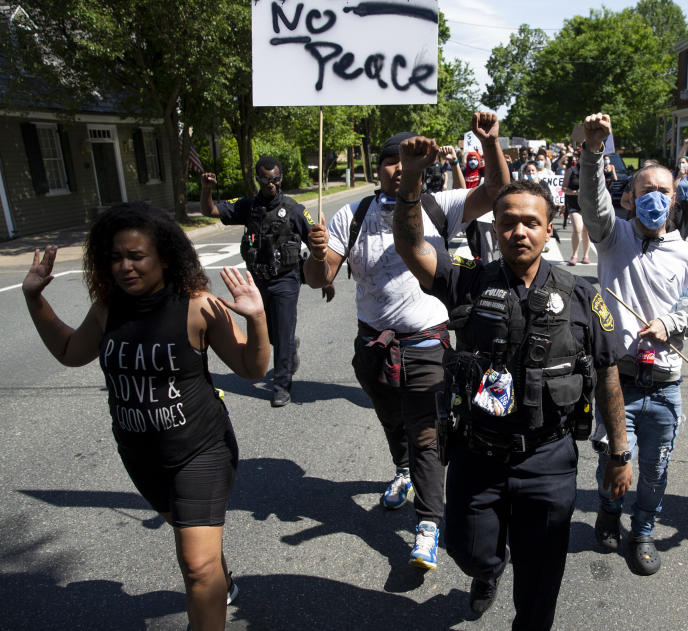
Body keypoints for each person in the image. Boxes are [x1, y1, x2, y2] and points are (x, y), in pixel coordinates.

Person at [391, 161, 632, 630]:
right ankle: (487, 571)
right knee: (467, 548)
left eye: (531, 222)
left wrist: (620, 451)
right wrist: (410, 185)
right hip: (477, 455)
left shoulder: (581, 295)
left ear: (548, 228)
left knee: (541, 584)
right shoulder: (470, 280)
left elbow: (607, 376)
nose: (519, 231)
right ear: (495, 229)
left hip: (548, 458)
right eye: (508, 222)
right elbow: (410, 246)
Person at [22, 202, 270, 631]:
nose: (125, 267)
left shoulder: (198, 306)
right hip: (140, 453)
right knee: (199, 552)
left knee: (193, 566)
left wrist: (258, 319)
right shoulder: (108, 308)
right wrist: (33, 297)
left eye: (136, 256)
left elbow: (254, 369)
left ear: (165, 257)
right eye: (116, 257)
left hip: (201, 450)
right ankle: (218, 573)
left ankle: (209, 577)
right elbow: (68, 352)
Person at [302, 113, 510, 571]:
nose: (398, 168)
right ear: (378, 169)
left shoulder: (442, 205)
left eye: (406, 160)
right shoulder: (351, 215)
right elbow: (321, 277)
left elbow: (496, 190)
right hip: (372, 346)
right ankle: (402, 470)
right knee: (391, 419)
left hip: (427, 343)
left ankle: (428, 524)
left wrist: (490, 143)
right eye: (390, 161)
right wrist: (317, 255)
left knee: (426, 433)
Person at [579, 112, 688, 577]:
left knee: (655, 471)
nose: (654, 198)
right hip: (617, 379)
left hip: (665, 384)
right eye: (645, 190)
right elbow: (592, 204)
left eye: (663, 191)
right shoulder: (613, 236)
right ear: (630, 197)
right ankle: (608, 512)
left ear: (676, 199)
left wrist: (672, 323)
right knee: (615, 462)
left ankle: (643, 532)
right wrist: (594, 152)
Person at [200, 156, 329, 408]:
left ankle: (282, 385)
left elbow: (316, 245)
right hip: (257, 279)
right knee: (269, 333)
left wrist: (325, 277)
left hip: (286, 279)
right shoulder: (248, 206)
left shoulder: (294, 209)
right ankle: (289, 346)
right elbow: (211, 210)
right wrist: (206, 190)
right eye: (266, 179)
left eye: (276, 178)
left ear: (281, 178)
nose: (271, 183)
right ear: (258, 178)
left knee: (281, 331)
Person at [563, 152, 591, 265]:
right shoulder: (571, 171)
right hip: (574, 204)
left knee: (586, 231)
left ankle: (586, 255)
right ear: (578, 159)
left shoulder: (591, 171)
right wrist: (575, 192)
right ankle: (574, 255)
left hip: (587, 205)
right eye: (582, 158)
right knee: (578, 228)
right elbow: (563, 188)